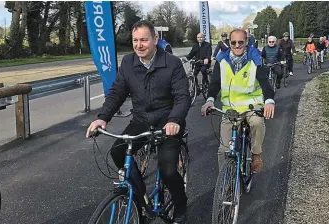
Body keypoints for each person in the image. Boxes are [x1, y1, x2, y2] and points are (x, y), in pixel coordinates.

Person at [85, 20, 190, 224]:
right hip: (141, 120)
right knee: (117, 152)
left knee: (168, 171)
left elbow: (182, 97)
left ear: (155, 40)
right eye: (135, 40)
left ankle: (181, 204)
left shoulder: (172, 64)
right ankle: (140, 198)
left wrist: (175, 120)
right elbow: (117, 93)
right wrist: (102, 118)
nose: (139, 45)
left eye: (144, 40)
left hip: (167, 122)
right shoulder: (128, 62)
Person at [201, 28, 275, 173]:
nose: (237, 46)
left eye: (241, 42)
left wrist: (269, 101)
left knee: (257, 122)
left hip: (252, 105)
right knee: (223, 150)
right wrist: (209, 100)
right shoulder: (222, 60)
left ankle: (256, 153)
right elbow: (214, 84)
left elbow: (265, 82)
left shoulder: (255, 58)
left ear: (246, 42)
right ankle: (225, 186)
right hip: (230, 109)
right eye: (233, 42)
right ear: (229, 42)